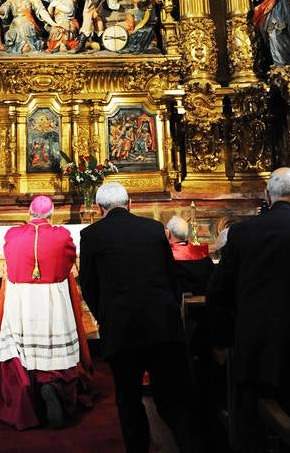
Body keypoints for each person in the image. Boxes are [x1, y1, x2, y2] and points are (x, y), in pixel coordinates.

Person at [206, 167, 290, 452]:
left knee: (255, 431)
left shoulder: (241, 234)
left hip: (254, 351)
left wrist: (226, 340)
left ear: (267, 195)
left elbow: (218, 294)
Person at [79, 181, 202, 453]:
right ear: (130, 203)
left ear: (99, 208)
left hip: (121, 328)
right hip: (161, 324)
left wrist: (105, 316)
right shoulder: (154, 230)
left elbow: (87, 284)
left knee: (128, 396)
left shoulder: (91, 235)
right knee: (173, 397)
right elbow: (171, 275)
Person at [0, 195, 92, 430]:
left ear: (30, 214)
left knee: (20, 345)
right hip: (52, 302)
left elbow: (10, 266)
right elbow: (68, 264)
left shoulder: (13, 235)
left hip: (21, 301)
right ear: (50, 214)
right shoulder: (61, 235)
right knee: (53, 344)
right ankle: (52, 383)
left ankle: (26, 385)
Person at [166, 215, 215, 296]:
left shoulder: (168, 257)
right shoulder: (202, 255)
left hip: (178, 305)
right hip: (205, 304)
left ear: (169, 234)